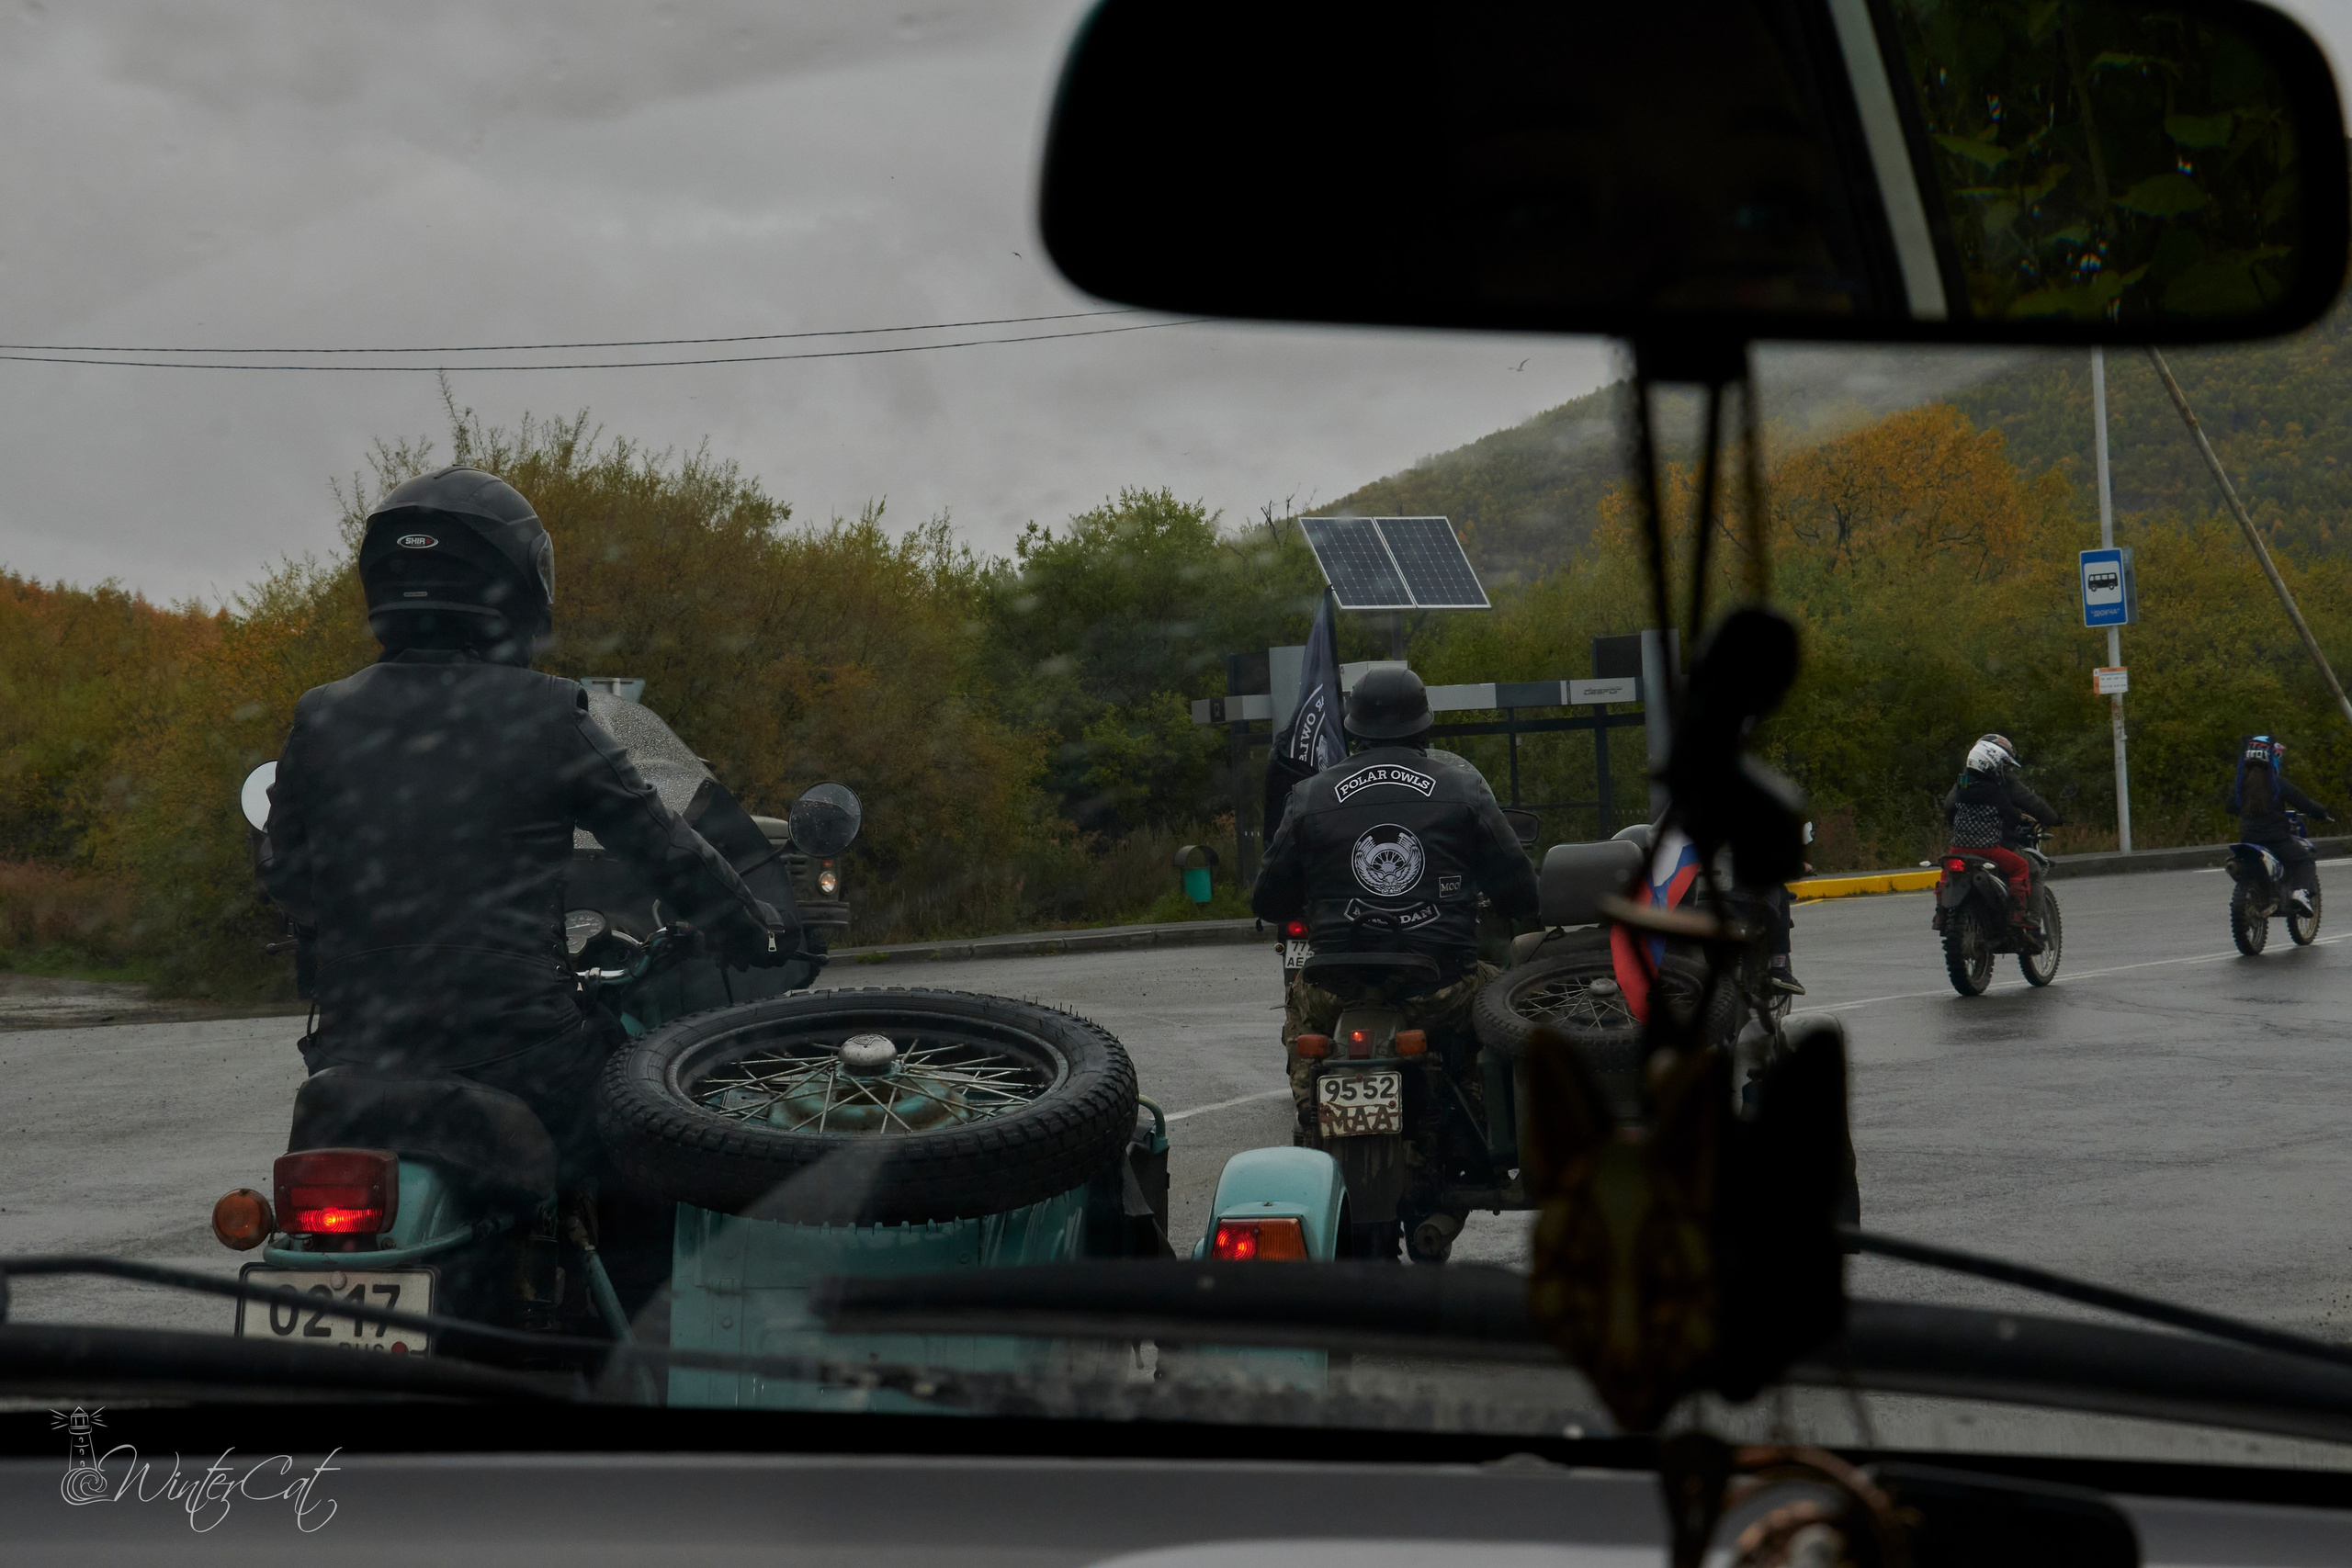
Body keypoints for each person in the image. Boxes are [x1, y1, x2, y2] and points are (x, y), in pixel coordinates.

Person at [260, 466, 794, 1176]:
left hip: (353, 1059)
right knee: (653, 1166)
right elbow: (662, 846)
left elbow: (282, 875)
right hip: (519, 1056)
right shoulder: (549, 711)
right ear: (514, 580)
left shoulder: (320, 713)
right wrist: (749, 927)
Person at [1251, 666, 1540, 1142]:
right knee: (1506, 996)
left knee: (1302, 1005)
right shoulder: (1464, 790)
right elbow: (1521, 892)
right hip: (1441, 991)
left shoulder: (1308, 796)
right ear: (1425, 725)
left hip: (1336, 991)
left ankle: (1311, 1111)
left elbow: (1269, 899)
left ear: (1352, 728)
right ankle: (1486, 1119)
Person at [1939, 733, 2063, 934]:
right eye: (2004, 765)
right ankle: (2022, 917)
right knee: (2027, 868)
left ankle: (1941, 913)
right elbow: (2017, 810)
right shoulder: (1998, 787)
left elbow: (1950, 806)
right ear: (1993, 763)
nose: (2006, 770)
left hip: (1958, 845)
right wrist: (2052, 818)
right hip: (1990, 846)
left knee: (1947, 870)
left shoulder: (1963, 782)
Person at [2232, 734, 2333, 911]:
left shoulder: (2242, 784)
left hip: (2248, 840)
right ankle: (2301, 894)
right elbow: (2305, 804)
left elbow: (2230, 807)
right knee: (2304, 859)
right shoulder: (2277, 783)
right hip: (2276, 841)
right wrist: (2323, 812)